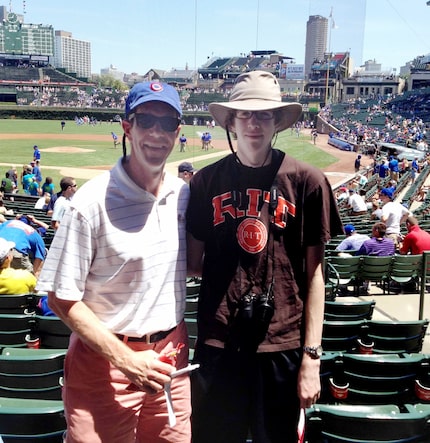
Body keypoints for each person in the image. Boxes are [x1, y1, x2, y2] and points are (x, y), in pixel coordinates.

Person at [186, 71, 343, 443]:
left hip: (282, 343)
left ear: (276, 122)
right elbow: (192, 264)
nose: (254, 122)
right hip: (219, 341)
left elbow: (314, 276)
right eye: (244, 114)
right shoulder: (205, 182)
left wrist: (312, 357)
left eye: (264, 114)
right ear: (230, 121)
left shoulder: (308, 180)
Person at [36, 80, 191, 442]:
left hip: (171, 358)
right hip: (105, 364)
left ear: (178, 131)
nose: (156, 132)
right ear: (127, 126)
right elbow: (61, 298)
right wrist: (126, 359)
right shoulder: (88, 203)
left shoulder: (184, 196)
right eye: (146, 120)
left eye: (167, 123)